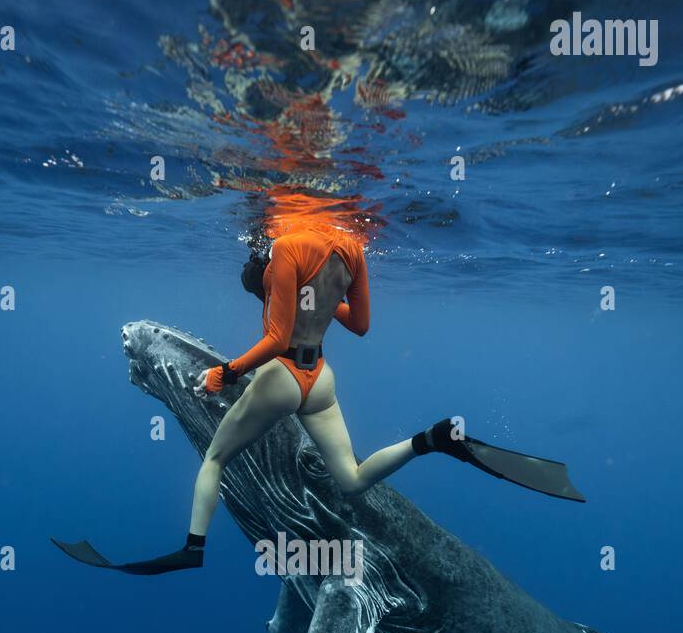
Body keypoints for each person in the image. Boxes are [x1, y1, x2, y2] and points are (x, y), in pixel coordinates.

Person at [52, 222, 584, 576]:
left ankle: (193, 549)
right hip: (320, 378)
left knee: (216, 456)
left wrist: (225, 373)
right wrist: (321, 307)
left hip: (283, 374)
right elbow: (363, 325)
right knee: (350, 480)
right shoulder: (352, 248)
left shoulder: (285, 250)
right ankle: (434, 440)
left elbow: (278, 341)